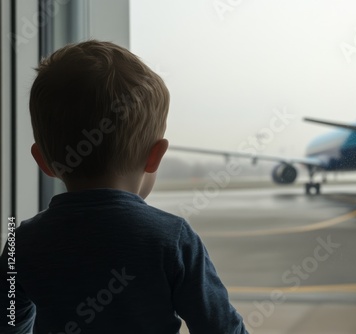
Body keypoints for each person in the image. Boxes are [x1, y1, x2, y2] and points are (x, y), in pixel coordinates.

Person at [0, 40, 248, 334]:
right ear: (155, 156)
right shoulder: (174, 238)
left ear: (43, 161)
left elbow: (9, 325)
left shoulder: (21, 243)